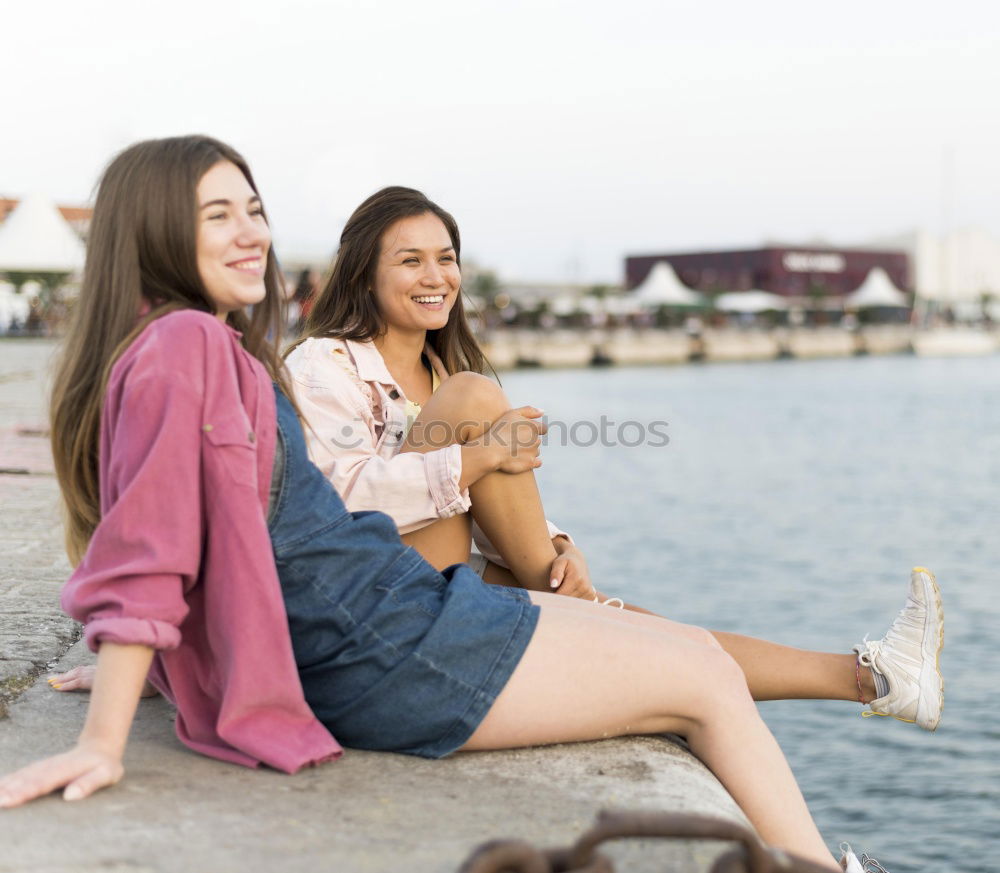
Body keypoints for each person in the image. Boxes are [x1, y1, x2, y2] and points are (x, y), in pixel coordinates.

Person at [0, 137, 938, 873]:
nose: (253, 232)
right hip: (378, 639)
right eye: (218, 215)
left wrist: (151, 659)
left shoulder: (178, 348)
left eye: (256, 209)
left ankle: (850, 753)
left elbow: (190, 528)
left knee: (689, 658)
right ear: (156, 229)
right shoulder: (199, 350)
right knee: (699, 680)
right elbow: (154, 545)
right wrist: (105, 737)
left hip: (389, 613)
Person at [283, 184, 943, 725]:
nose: (436, 276)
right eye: (410, 260)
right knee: (476, 401)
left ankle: (870, 677)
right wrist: (477, 459)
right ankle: (579, 601)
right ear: (364, 273)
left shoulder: (443, 368)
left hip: (453, 579)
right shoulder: (324, 363)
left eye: (446, 257)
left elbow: (476, 508)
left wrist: (558, 546)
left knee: (659, 640)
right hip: (376, 597)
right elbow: (337, 502)